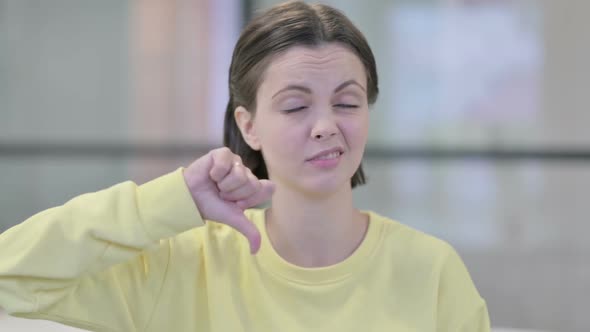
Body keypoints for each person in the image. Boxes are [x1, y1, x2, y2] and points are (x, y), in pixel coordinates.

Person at [0, 1, 490, 331]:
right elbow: (10, 279)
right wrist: (166, 202)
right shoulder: (181, 265)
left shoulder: (431, 270)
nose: (325, 126)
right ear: (248, 125)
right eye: (296, 106)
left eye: (347, 103)